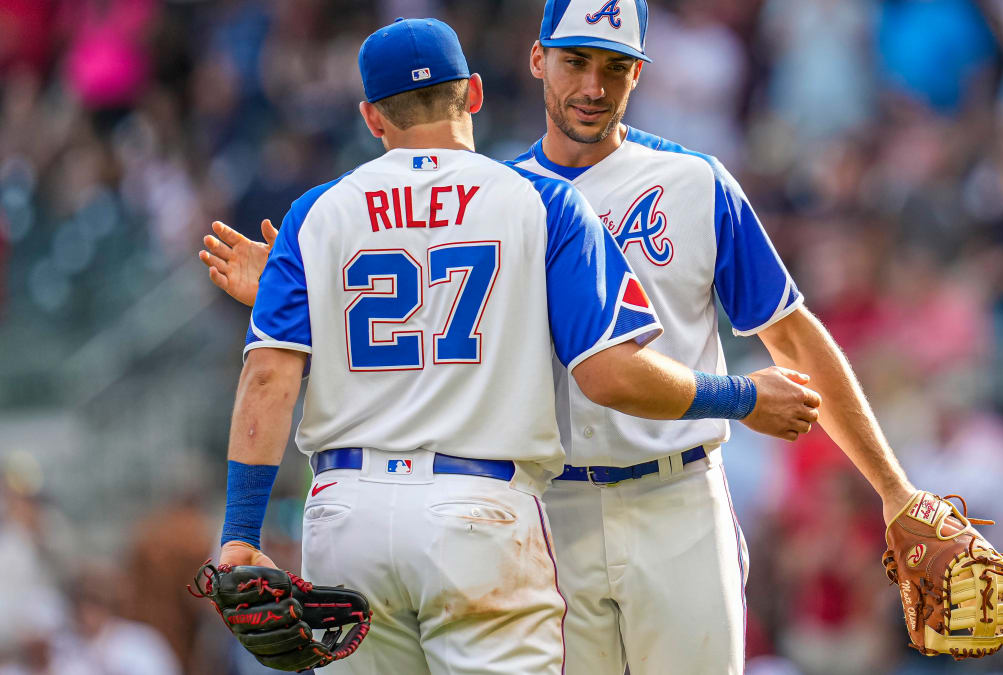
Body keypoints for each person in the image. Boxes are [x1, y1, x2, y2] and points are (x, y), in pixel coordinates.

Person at [210, 16, 819, 675]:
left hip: (344, 513)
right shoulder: (540, 202)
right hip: (478, 513)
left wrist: (240, 534)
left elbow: (270, 380)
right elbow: (611, 376)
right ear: (473, 93)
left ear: (370, 117)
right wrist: (742, 394)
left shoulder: (316, 214)